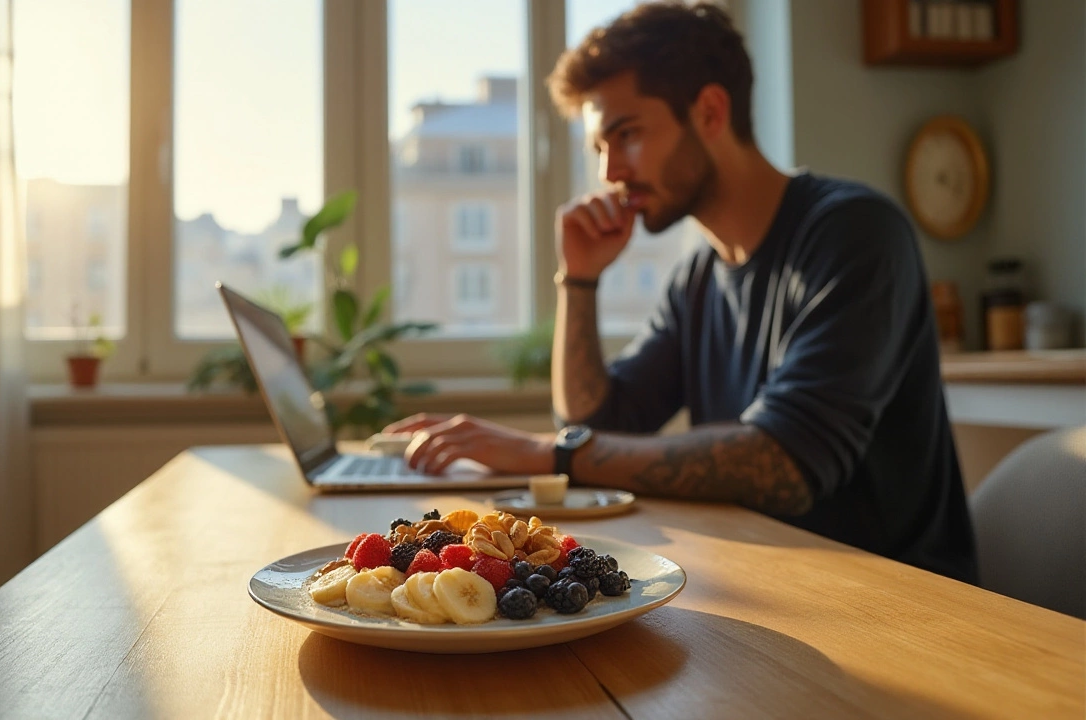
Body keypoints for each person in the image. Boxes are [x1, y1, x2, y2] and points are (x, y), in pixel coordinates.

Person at [385, 1, 978, 584]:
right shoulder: (697, 277)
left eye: (627, 134)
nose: (610, 171)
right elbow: (598, 418)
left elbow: (788, 464)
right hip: (769, 573)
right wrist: (581, 279)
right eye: (598, 147)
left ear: (711, 112)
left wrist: (551, 455)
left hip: (902, 598)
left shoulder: (856, 233)